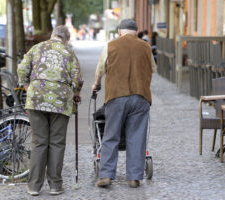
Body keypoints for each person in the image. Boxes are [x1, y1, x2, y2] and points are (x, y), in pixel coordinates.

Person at [17, 25, 83, 196]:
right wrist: (75, 93)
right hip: (61, 102)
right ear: (66, 39)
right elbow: (77, 79)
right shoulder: (69, 53)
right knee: (56, 143)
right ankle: (55, 185)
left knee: (39, 142)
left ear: (52, 35)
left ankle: (34, 187)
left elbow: (22, 69)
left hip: (36, 99)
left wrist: (27, 87)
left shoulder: (36, 48)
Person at [92, 19, 157, 188]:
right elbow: (153, 69)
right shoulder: (146, 47)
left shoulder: (111, 46)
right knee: (137, 136)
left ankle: (106, 175)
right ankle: (134, 178)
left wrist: (97, 85)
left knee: (111, 135)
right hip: (141, 96)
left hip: (116, 96)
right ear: (135, 32)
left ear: (120, 32)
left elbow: (100, 69)